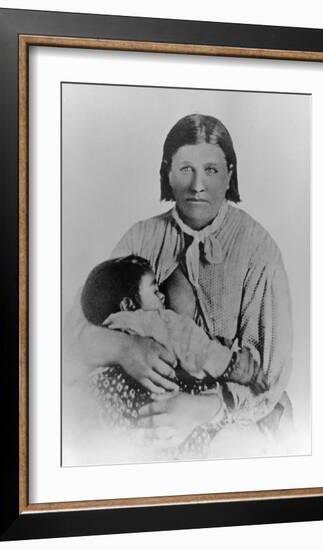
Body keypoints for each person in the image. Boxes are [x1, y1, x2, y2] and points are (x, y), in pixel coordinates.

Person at [66, 113, 293, 457]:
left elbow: (270, 376)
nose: (197, 185)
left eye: (211, 170)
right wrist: (124, 349)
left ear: (230, 173)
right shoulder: (142, 237)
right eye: (186, 169)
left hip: (234, 420)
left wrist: (204, 408)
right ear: (167, 173)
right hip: (147, 409)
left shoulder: (259, 250)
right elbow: (74, 336)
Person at [79, 254, 267, 457]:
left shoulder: (106, 334)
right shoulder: (157, 321)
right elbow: (196, 348)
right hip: (170, 413)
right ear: (128, 305)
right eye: (154, 289)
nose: (162, 297)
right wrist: (234, 366)